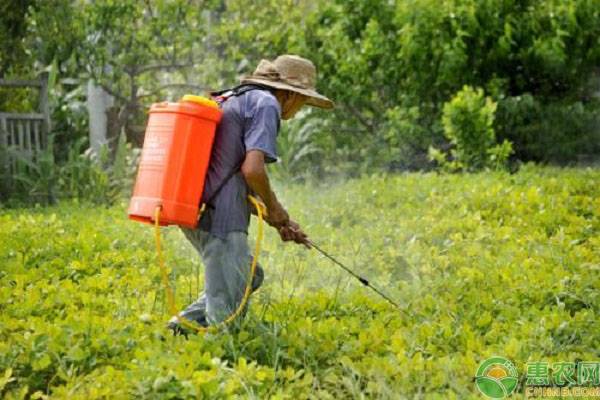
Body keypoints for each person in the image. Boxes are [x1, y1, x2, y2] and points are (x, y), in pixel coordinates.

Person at [168, 55, 334, 334]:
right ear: (290, 94)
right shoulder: (267, 104)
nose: (301, 107)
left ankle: (180, 328)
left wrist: (279, 220)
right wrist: (276, 207)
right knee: (226, 320)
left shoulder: (237, 98)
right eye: (303, 100)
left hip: (194, 205)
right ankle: (219, 363)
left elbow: (231, 174)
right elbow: (253, 170)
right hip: (221, 217)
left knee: (249, 275)